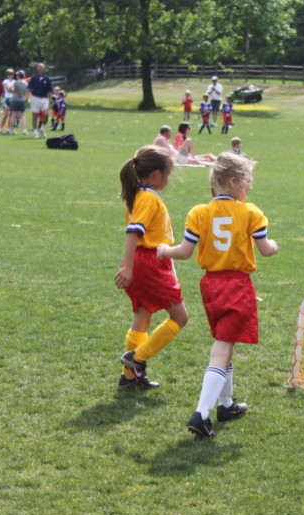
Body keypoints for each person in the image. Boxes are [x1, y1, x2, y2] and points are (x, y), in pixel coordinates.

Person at [157, 152, 279, 437]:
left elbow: (185, 252)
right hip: (236, 284)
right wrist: (273, 245)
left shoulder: (199, 212)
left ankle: (226, 405)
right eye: (247, 182)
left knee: (226, 342)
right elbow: (265, 249)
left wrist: (165, 250)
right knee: (222, 348)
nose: (249, 188)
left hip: (210, 285)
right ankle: (201, 413)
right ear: (234, 181)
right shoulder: (251, 213)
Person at [115, 145, 188, 391]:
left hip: (144, 261)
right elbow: (133, 231)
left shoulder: (141, 195)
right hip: (149, 262)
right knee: (180, 317)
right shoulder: (147, 197)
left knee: (142, 317)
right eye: (168, 174)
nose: (168, 180)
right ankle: (136, 358)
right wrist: (127, 267)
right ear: (156, 175)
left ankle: (129, 376)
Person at [28, 62, 53, 139]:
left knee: (46, 115)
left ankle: (42, 128)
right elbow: (29, 88)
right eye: (39, 68)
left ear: (44, 69)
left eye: (42, 68)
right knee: (35, 116)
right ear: (37, 69)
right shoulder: (34, 78)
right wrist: (26, 97)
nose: (41, 69)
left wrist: (50, 100)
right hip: (35, 98)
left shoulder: (47, 79)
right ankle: (35, 131)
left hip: (44, 98)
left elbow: (49, 91)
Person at [8, 70, 28, 136]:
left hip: (15, 100)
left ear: (18, 76)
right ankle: (24, 130)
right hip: (22, 100)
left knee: (13, 116)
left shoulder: (16, 82)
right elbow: (25, 92)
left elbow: (10, 89)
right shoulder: (26, 83)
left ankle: (11, 130)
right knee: (22, 116)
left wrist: (13, 91)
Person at [0, 68, 15, 133]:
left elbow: (14, 91)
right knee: (6, 114)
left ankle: (9, 129)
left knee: (11, 114)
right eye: (8, 74)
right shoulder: (5, 81)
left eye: (11, 74)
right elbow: (8, 90)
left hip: (13, 99)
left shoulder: (14, 81)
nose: (10, 75)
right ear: (7, 75)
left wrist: (12, 89)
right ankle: (0, 128)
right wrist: (12, 86)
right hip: (7, 99)